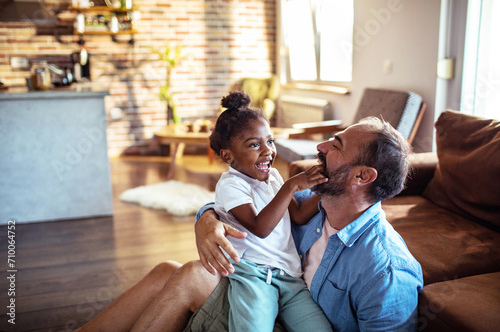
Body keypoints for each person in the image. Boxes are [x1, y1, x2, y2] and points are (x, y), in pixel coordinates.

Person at [77, 116, 423, 332]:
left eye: (336, 145)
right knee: (167, 269)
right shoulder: (319, 206)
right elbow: (244, 207)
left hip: (282, 314)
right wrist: (207, 219)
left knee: (189, 276)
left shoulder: (385, 270)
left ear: (362, 176)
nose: (319, 146)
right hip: (264, 294)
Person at [202, 91, 331, 331]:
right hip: (253, 277)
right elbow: (260, 227)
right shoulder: (231, 185)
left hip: (291, 277)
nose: (267, 151)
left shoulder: (272, 176)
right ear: (228, 155)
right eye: (254, 144)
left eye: (270, 141)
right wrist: (292, 184)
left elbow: (299, 215)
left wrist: (326, 188)